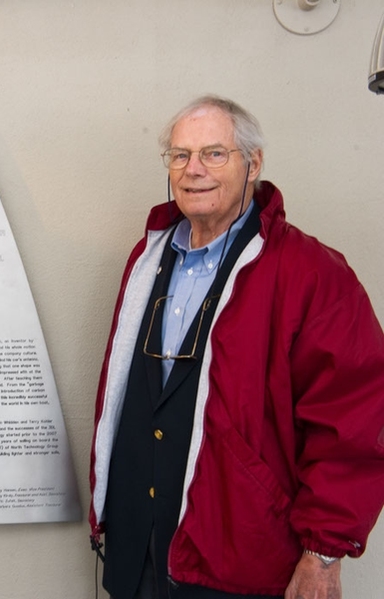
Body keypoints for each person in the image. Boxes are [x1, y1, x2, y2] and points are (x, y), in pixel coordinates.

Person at [88, 95, 384, 599]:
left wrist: (324, 552)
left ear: (254, 164)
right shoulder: (147, 257)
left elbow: (354, 422)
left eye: (214, 154)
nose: (193, 169)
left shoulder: (313, 273)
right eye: (180, 155)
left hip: (238, 560)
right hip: (135, 552)